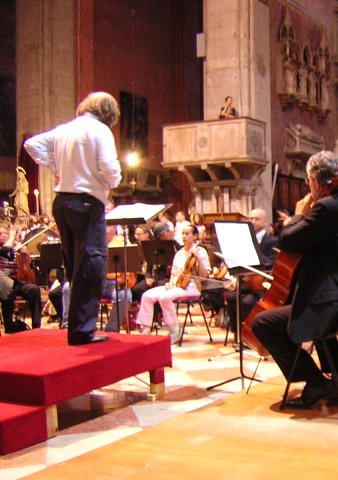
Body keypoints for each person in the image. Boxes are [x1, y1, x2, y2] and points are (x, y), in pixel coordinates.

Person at [251, 150, 338, 409]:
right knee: (304, 304)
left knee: (262, 323)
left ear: (316, 181)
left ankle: (315, 381)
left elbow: (287, 239)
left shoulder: (327, 208)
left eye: (308, 182)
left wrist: (298, 215)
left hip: (329, 304)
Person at [24, 91, 122, 345]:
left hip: (62, 202)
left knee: (74, 264)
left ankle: (76, 327)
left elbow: (31, 145)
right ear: (109, 113)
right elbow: (110, 168)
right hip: (87, 203)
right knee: (91, 266)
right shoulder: (100, 130)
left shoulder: (65, 129)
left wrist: (55, 166)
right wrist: (113, 182)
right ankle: (82, 331)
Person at [135, 224, 211, 344]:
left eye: (187, 234)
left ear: (195, 236)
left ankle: (174, 329)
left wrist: (198, 259)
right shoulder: (179, 253)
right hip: (176, 285)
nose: (184, 236)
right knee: (147, 296)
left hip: (192, 287)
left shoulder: (201, 252)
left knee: (165, 298)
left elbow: (204, 276)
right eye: (183, 234)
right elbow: (174, 273)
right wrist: (170, 283)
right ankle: (146, 329)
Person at [225, 208, 279, 338]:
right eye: (250, 219)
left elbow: (271, 264)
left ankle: (253, 336)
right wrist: (235, 280)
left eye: (256, 219)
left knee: (248, 302)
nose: (253, 221)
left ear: (266, 222)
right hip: (246, 282)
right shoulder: (243, 240)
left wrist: (254, 248)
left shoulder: (272, 241)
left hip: (262, 284)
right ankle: (238, 334)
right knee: (231, 297)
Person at [0, 223, 42, 332]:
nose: (3, 236)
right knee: (9, 293)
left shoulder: (14, 247)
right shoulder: (5, 248)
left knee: (34, 290)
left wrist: (25, 254)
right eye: (0, 234)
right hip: (2, 285)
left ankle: (36, 326)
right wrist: (13, 236)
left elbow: (27, 265)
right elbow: (5, 250)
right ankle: (9, 326)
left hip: (15, 281)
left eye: (5, 233)